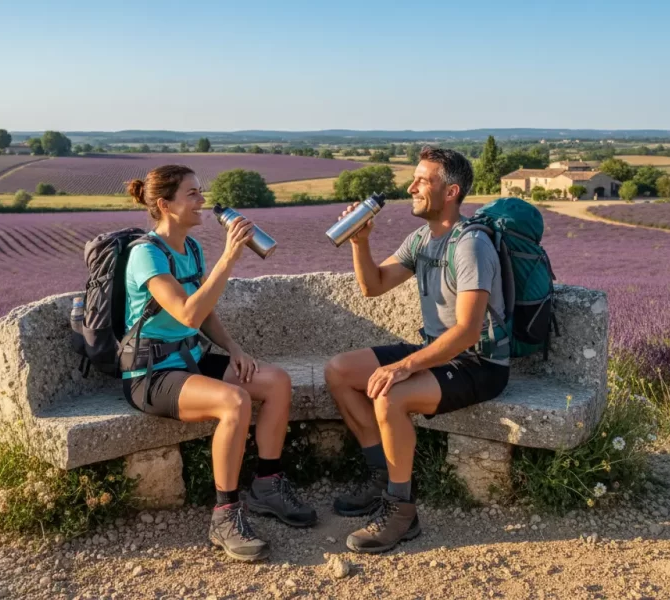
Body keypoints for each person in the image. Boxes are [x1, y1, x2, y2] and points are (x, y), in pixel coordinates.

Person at [124, 165, 316, 562]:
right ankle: (225, 515)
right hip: (152, 375)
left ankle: (267, 485)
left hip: (190, 360)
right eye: (192, 194)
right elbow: (187, 313)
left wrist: (233, 348)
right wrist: (229, 257)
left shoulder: (191, 248)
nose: (202, 201)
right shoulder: (146, 254)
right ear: (165, 204)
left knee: (277, 381)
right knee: (234, 401)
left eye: (201, 191)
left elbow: (205, 309)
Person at [325, 147, 510, 554]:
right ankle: (381, 475)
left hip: (478, 363)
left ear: (451, 192)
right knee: (339, 370)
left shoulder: (471, 245)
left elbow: (467, 332)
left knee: (389, 395)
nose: (411, 188)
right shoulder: (421, 239)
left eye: (422, 181)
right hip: (437, 352)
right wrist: (360, 242)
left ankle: (401, 510)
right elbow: (373, 286)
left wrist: (403, 366)